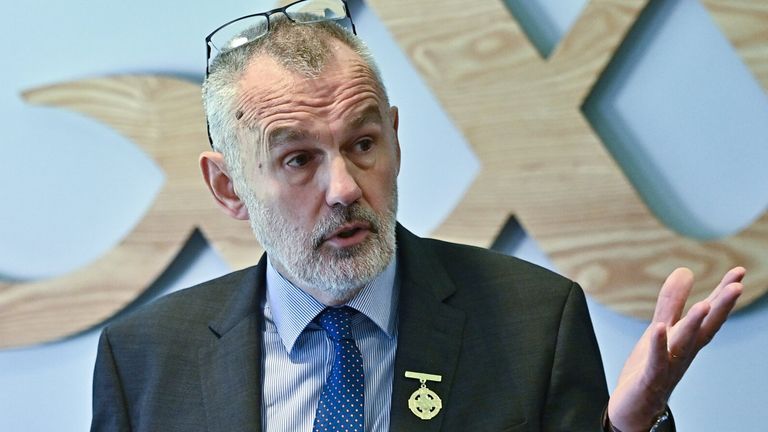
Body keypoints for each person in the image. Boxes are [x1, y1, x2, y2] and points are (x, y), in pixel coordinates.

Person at [90, 1, 744, 431]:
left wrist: (629, 428)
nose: (344, 188)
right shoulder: (145, 359)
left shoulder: (534, 322)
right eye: (298, 160)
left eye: (363, 144)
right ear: (228, 186)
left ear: (395, 142)